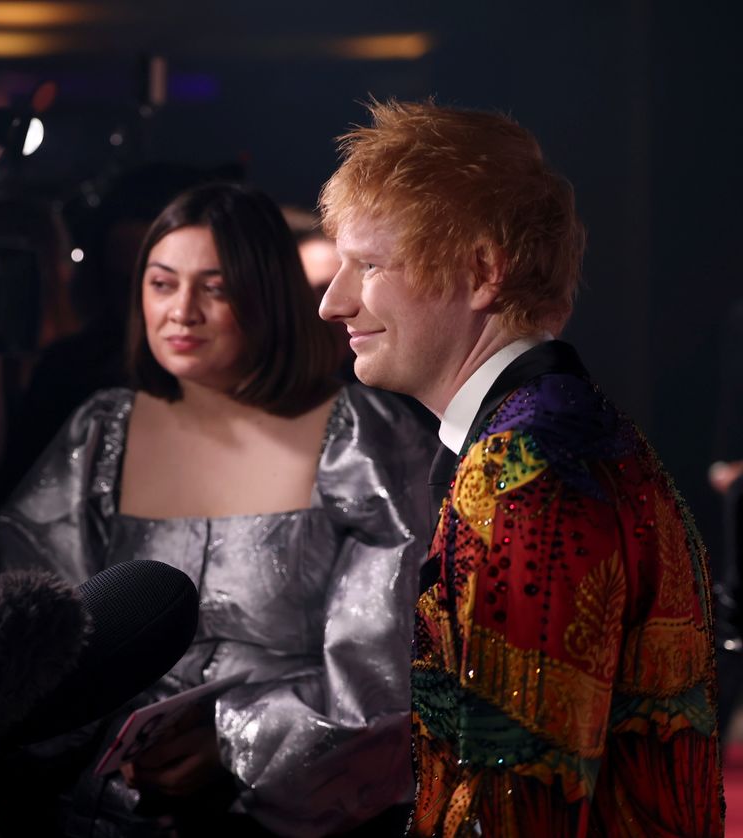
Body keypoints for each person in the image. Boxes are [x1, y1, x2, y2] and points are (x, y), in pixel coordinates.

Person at [317, 99, 723, 835]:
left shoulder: (522, 471)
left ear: (482, 272)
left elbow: (518, 796)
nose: (332, 302)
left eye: (370, 265)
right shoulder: (569, 434)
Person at [0, 182, 436, 837]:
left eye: (217, 288)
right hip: (106, 811)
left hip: (297, 818)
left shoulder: (365, 442)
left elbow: (383, 671)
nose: (182, 312)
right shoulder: (99, 436)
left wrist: (231, 741)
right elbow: (39, 633)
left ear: (270, 296)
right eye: (162, 284)